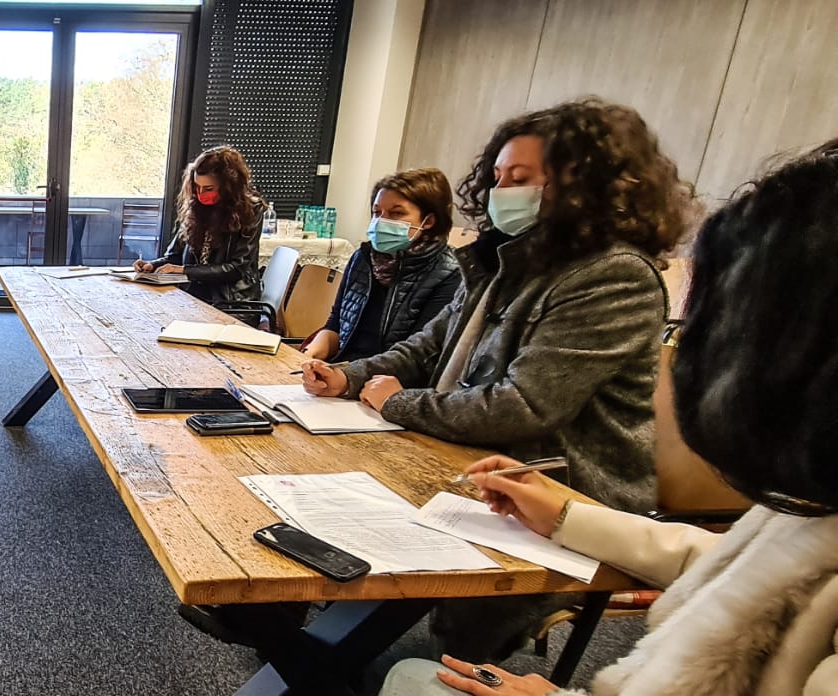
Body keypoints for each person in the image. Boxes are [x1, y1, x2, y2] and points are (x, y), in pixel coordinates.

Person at [358, 138, 838, 696]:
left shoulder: (610, 276)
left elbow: (522, 404)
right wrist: (567, 516)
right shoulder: (814, 504)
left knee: (412, 683)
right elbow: (737, 565)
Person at [299, 99, 695, 662]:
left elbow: (523, 407)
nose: (500, 190)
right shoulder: (500, 261)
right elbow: (427, 346)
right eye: (499, 176)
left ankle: (339, 667)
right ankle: (305, 655)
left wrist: (397, 404)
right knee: (310, 493)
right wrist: (345, 376)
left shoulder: (614, 277)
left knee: (453, 622)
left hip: (557, 491)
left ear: (582, 186)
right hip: (462, 453)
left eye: (521, 178)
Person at [302, 168, 461, 362]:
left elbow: (419, 356)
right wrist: (310, 354)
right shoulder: (363, 258)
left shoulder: (450, 273)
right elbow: (335, 326)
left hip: (390, 375)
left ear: (429, 221)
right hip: (344, 369)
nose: (381, 222)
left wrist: (349, 375)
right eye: (377, 213)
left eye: (396, 213)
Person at [133, 146, 264, 304]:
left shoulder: (250, 211)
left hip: (230, 301)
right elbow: (175, 257)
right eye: (197, 187)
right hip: (193, 294)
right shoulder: (196, 209)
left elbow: (237, 269)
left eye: (208, 189)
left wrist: (184, 270)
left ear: (228, 187)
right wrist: (152, 265)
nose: (201, 194)